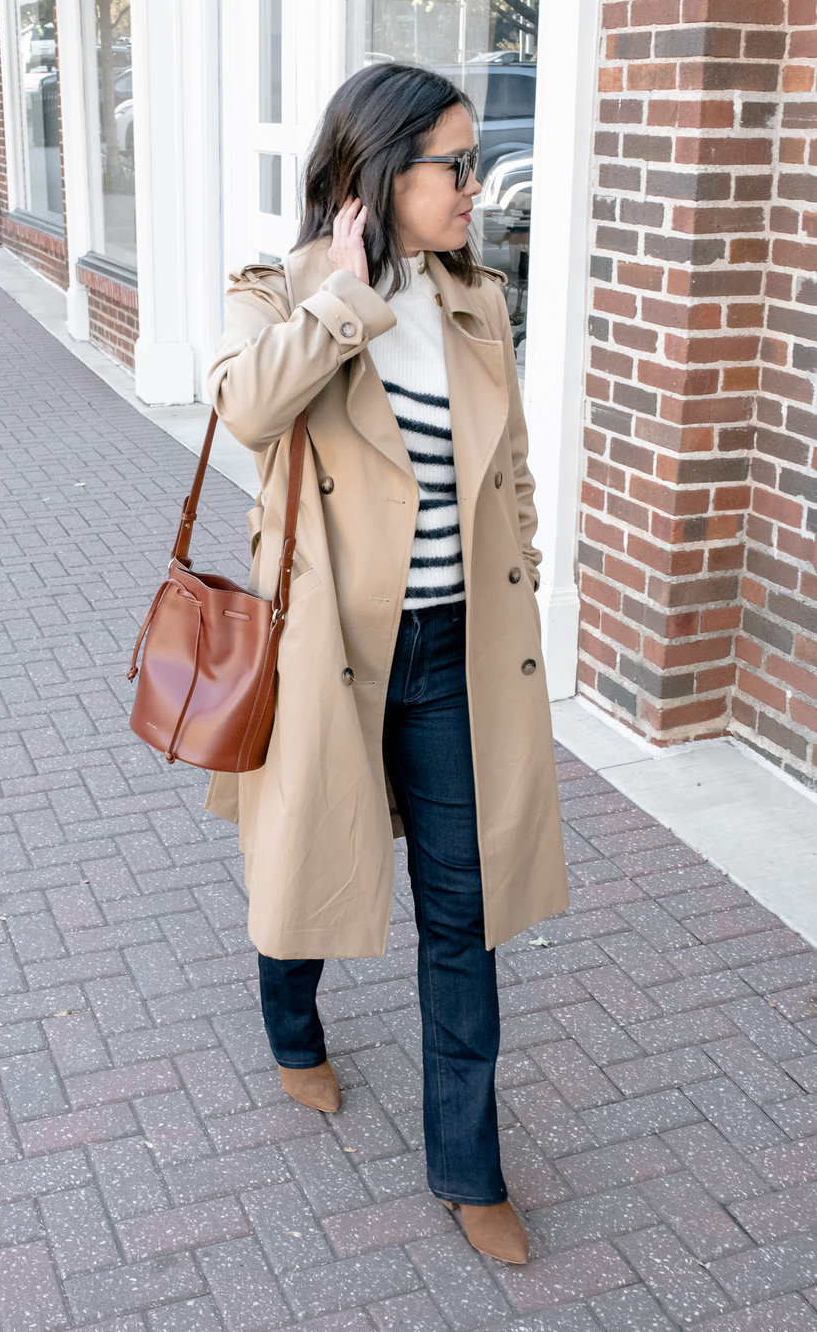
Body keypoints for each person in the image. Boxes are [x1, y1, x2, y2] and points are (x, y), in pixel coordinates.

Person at [204, 61, 568, 1266]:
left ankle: (470, 1166)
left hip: (455, 658)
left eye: (474, 163)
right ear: (381, 172)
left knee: (463, 915)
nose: (477, 185)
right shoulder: (277, 293)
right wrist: (348, 302)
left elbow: (504, 465)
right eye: (453, 166)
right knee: (310, 869)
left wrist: (523, 560)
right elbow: (247, 410)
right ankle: (292, 1023)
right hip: (333, 661)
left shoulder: (481, 302)